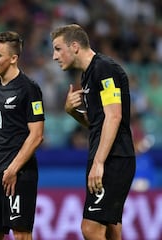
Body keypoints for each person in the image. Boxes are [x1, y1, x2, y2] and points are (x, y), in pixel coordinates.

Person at [51, 24, 136, 240]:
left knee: (91, 228)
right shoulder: (89, 75)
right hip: (107, 156)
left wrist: (99, 163)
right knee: (111, 229)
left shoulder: (104, 69)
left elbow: (114, 116)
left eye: (58, 49)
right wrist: (72, 112)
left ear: (75, 46)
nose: (54, 56)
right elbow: (98, 123)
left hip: (113, 158)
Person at [0, 31, 45, 240]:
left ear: (13, 58)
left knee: (21, 234)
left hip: (19, 175)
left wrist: (13, 169)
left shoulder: (29, 89)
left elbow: (37, 135)